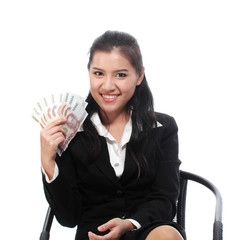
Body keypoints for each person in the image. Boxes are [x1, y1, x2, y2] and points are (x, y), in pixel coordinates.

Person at [40, 30, 186, 240]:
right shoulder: (70, 130)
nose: (108, 86)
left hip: (145, 228)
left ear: (139, 76)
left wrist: (129, 223)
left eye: (121, 75)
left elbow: (164, 198)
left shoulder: (163, 127)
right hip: (95, 234)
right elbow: (68, 217)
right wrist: (48, 162)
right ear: (89, 72)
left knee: (167, 235)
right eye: (98, 73)